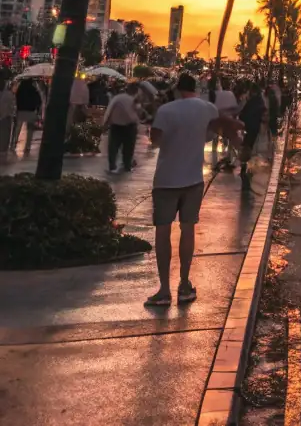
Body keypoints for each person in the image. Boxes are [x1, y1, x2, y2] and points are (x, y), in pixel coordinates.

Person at [145, 72, 241, 309]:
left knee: (163, 233)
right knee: (188, 231)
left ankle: (164, 290)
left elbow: (154, 140)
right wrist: (240, 142)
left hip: (166, 180)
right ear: (195, 89)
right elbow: (225, 124)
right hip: (193, 180)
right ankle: (185, 284)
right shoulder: (205, 108)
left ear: (177, 89)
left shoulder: (166, 111)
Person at [103, 83, 142, 173]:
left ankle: (112, 166)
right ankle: (127, 165)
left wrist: (105, 123)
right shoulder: (135, 100)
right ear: (135, 91)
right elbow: (139, 113)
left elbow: (109, 110)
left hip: (116, 126)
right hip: (130, 127)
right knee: (128, 148)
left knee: (113, 147)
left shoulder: (117, 98)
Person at [236, 82, 266, 192]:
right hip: (254, 126)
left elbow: (243, 114)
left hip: (248, 126)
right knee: (249, 144)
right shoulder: (259, 101)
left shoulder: (252, 102)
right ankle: (245, 164)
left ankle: (244, 164)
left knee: (247, 144)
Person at [13, 75, 42, 154]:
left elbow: (16, 99)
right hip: (31, 111)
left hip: (21, 111)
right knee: (30, 130)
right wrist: (37, 109)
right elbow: (39, 100)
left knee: (17, 129)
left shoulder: (20, 90)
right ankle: (27, 146)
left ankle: (14, 143)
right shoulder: (34, 90)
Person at [0, 77, 16, 156]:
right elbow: (12, 105)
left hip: (3, 115)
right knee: (6, 133)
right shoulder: (9, 94)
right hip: (6, 116)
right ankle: (3, 148)